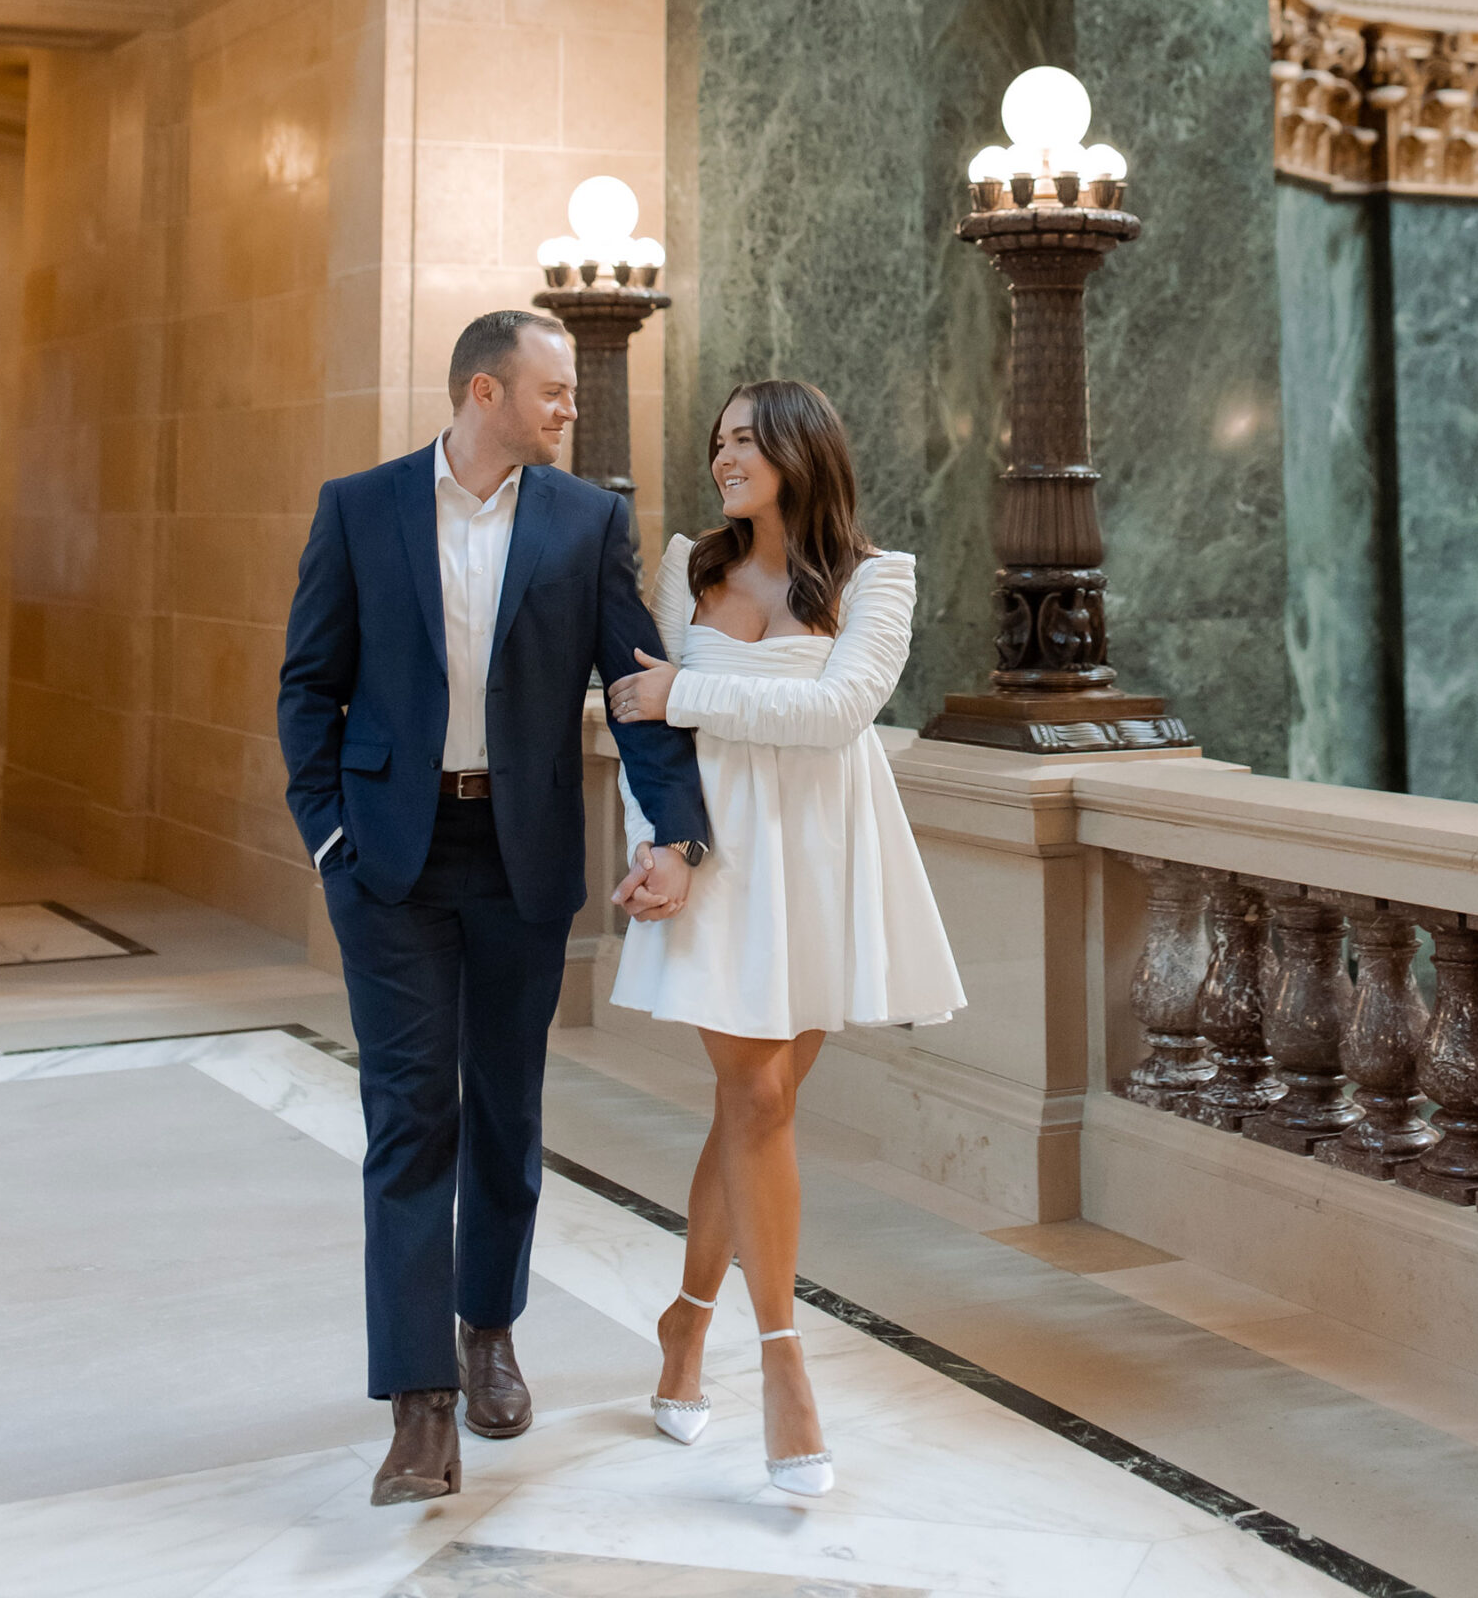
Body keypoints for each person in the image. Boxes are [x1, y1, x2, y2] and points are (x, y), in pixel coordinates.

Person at [277, 310, 707, 1506]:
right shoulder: (360, 508)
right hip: (390, 860)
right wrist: (329, 834)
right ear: (485, 390)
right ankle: (418, 1405)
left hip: (521, 856)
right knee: (410, 1116)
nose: (573, 408)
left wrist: (672, 831)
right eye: (555, 391)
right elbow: (309, 685)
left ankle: (488, 1332)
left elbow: (635, 692)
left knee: (506, 1110)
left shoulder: (586, 519)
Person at [607, 377, 965, 1499]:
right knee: (756, 1099)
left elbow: (838, 713)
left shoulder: (875, 578)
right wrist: (662, 846)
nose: (725, 456)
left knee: (754, 1106)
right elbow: (641, 731)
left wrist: (687, 696)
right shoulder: (687, 570)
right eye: (718, 441)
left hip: (820, 866)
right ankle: (784, 1365)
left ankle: (684, 1320)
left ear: (805, 450)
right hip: (719, 862)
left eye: (748, 440)